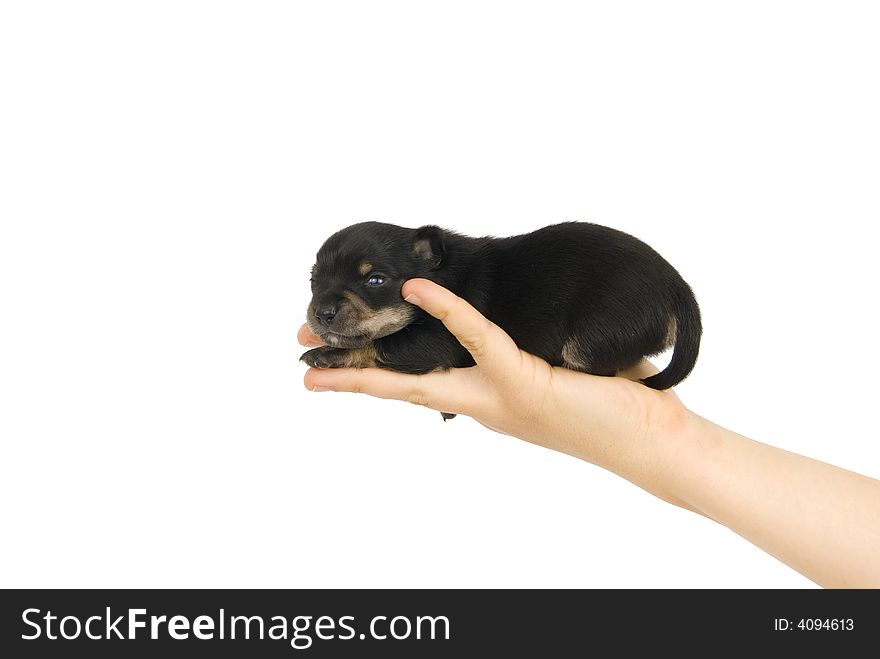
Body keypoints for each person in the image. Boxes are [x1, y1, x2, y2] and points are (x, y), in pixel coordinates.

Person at [299, 279, 880, 588]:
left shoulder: (456, 298)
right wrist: (663, 431)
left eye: (375, 281)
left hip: (615, 306)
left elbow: (425, 348)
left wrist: (368, 352)